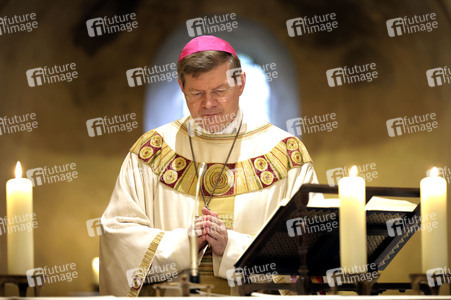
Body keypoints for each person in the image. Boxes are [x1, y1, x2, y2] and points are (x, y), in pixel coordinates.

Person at [99, 35, 320, 296]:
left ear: (241, 83)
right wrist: (184, 244)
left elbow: (309, 241)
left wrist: (232, 246)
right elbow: (116, 233)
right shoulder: (152, 151)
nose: (208, 104)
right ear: (182, 86)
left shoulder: (285, 152)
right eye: (197, 93)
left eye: (219, 91)